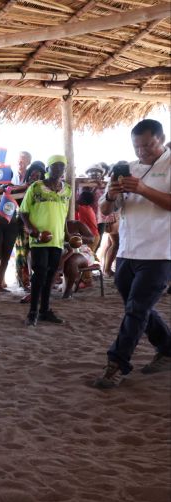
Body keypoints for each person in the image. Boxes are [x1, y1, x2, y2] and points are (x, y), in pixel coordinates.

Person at [94, 119, 171, 388]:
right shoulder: (126, 168)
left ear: (161, 140)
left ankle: (116, 364)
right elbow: (104, 209)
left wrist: (142, 189)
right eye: (137, 146)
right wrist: (111, 195)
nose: (142, 152)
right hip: (127, 251)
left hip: (161, 252)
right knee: (136, 307)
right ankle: (167, 348)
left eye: (148, 145)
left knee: (137, 310)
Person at [19, 155, 71, 326]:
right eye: (55, 166)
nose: (58, 170)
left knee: (50, 276)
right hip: (40, 239)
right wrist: (33, 231)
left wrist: (68, 235)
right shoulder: (36, 187)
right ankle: (32, 312)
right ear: (48, 169)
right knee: (39, 274)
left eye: (61, 167)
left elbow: (63, 217)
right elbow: (23, 212)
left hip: (57, 239)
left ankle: (45, 311)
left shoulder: (68, 190)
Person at [15, 161, 46, 294]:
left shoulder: (45, 188)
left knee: (36, 254)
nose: (35, 177)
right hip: (23, 224)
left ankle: (36, 281)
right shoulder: (22, 187)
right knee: (22, 253)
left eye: (38, 175)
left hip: (39, 224)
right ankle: (24, 281)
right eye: (33, 175)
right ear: (29, 175)